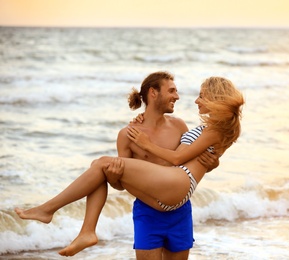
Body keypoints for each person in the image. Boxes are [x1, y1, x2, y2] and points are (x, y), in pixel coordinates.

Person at [15, 76, 244, 257]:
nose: (194, 100)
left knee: (102, 163)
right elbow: (193, 156)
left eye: (202, 96)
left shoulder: (214, 129)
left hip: (178, 182)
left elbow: (177, 159)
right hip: (167, 192)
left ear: (216, 97)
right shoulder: (215, 128)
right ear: (153, 94)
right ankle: (83, 230)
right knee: (102, 167)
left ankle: (53, 213)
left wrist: (146, 144)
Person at [105, 71, 218, 260]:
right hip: (148, 213)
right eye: (172, 90)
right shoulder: (128, 134)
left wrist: (213, 163)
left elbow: (191, 160)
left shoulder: (179, 126)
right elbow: (120, 184)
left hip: (180, 210)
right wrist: (113, 177)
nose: (177, 96)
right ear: (153, 92)